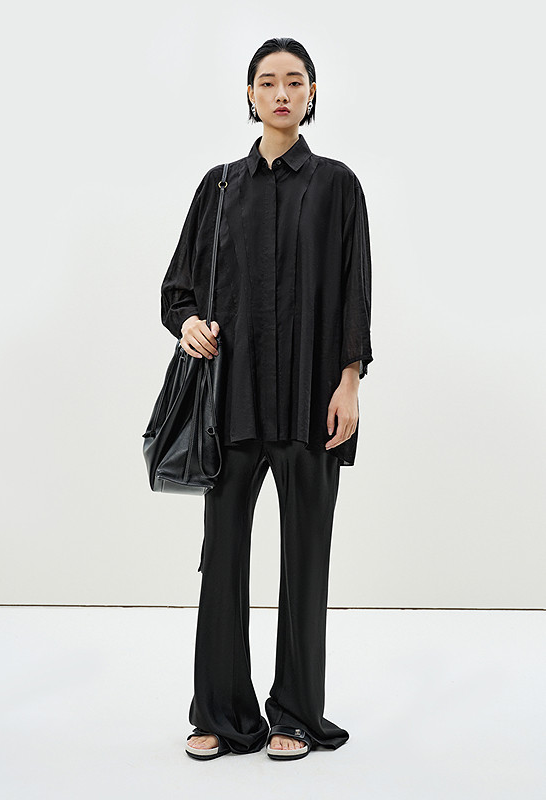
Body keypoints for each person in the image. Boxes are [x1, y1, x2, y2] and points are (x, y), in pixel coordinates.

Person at [159, 37, 373, 760]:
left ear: (312, 94)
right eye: (268, 82)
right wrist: (189, 323)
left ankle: (294, 715)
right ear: (249, 95)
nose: (282, 93)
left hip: (314, 404)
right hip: (235, 404)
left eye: (295, 81)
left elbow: (354, 290)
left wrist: (349, 382)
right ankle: (221, 712)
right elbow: (179, 288)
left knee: (306, 559)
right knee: (222, 559)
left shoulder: (338, 186)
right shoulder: (219, 188)